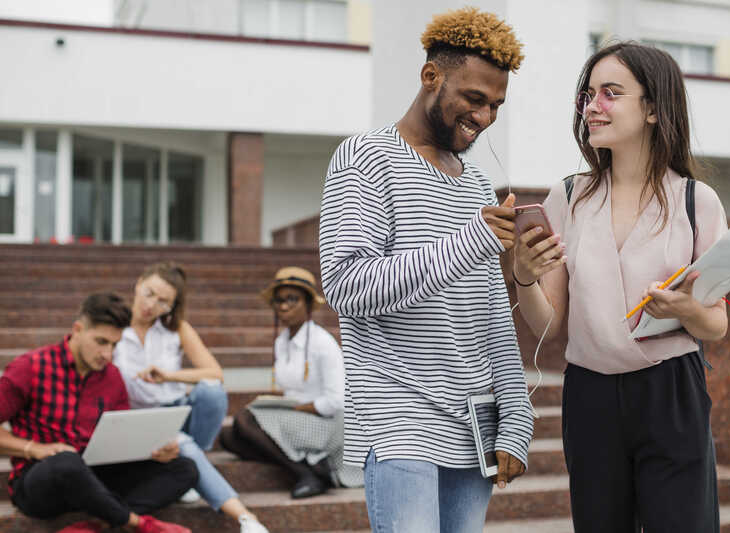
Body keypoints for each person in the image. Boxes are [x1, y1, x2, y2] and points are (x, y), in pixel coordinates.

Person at [318, 7, 534, 533]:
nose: (484, 117)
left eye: (496, 105)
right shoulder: (365, 158)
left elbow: (489, 311)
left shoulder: (479, 184)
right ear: (430, 76)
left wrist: (516, 414)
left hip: (473, 426)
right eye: (474, 99)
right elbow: (345, 285)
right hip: (397, 421)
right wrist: (472, 240)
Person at [514, 42, 728, 533]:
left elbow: (716, 324)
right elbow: (548, 322)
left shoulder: (697, 201)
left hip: (671, 390)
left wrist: (686, 309)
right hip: (589, 394)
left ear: (653, 108)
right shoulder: (569, 196)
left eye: (611, 93)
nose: (593, 106)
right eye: (588, 95)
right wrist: (524, 275)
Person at [0, 293, 197, 533]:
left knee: (185, 468)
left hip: (94, 475)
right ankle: (137, 523)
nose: (108, 354)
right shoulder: (30, 367)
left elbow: (122, 437)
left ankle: (99, 525)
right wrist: (34, 449)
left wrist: (154, 451)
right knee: (67, 463)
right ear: (78, 329)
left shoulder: (112, 377)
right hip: (42, 482)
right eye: (101, 342)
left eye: (115, 345)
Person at [112, 262, 270, 533]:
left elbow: (215, 372)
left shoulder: (175, 329)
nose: (152, 305)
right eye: (149, 293)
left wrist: (169, 376)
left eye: (164, 302)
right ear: (138, 284)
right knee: (183, 444)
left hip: (178, 411)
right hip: (141, 418)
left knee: (211, 390)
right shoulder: (114, 328)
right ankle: (246, 518)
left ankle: (194, 465)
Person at [219, 266, 359, 499]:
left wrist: (292, 409)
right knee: (229, 439)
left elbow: (335, 401)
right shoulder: (282, 341)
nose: (283, 306)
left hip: (327, 422)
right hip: (296, 417)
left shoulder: (322, 343)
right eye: (279, 300)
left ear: (308, 304)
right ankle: (313, 465)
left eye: (292, 299)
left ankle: (304, 474)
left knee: (245, 420)